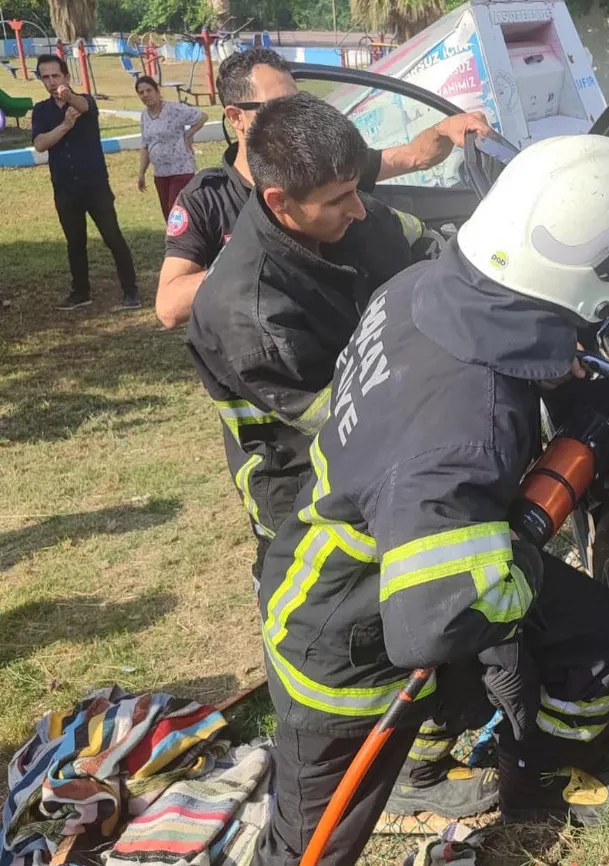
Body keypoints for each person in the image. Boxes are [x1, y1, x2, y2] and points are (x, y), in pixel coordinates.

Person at [253, 133, 609, 866]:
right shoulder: (464, 436)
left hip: (385, 553)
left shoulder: (417, 286)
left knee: (596, 629)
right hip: (345, 649)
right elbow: (435, 626)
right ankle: (414, 766)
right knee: (308, 846)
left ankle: (530, 772)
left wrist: (549, 364)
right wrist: (529, 534)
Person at [186, 92, 499, 821]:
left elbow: (432, 259)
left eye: (359, 188)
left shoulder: (347, 219)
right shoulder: (252, 311)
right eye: (338, 199)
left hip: (377, 454)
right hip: (302, 484)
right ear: (278, 201)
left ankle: (431, 737)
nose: (359, 211)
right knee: (358, 628)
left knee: (415, 606)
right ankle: (395, 770)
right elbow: (353, 420)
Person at [156, 47, 491, 329]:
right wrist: (260, 262)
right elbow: (168, 307)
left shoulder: (328, 172)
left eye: (299, 104)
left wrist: (445, 129)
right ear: (236, 117)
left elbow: (413, 156)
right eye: (279, 108)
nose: (298, 118)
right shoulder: (208, 199)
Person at [32, 54, 140, 311]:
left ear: (66, 76)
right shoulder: (41, 110)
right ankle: (81, 292)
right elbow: (39, 144)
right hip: (65, 188)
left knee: (113, 237)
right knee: (75, 241)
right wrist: (65, 126)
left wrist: (66, 96)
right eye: (45, 77)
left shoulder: (85, 101)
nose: (51, 81)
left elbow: (83, 107)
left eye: (55, 75)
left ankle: (131, 291)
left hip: (95, 186)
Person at [135, 76, 208, 219]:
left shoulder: (174, 109)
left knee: (177, 209)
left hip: (180, 169)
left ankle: (188, 239)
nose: (145, 95)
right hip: (161, 172)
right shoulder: (145, 116)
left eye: (148, 90)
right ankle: (174, 240)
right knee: (167, 212)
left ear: (157, 91)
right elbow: (145, 145)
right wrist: (141, 173)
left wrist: (188, 135)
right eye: (141, 92)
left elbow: (202, 117)